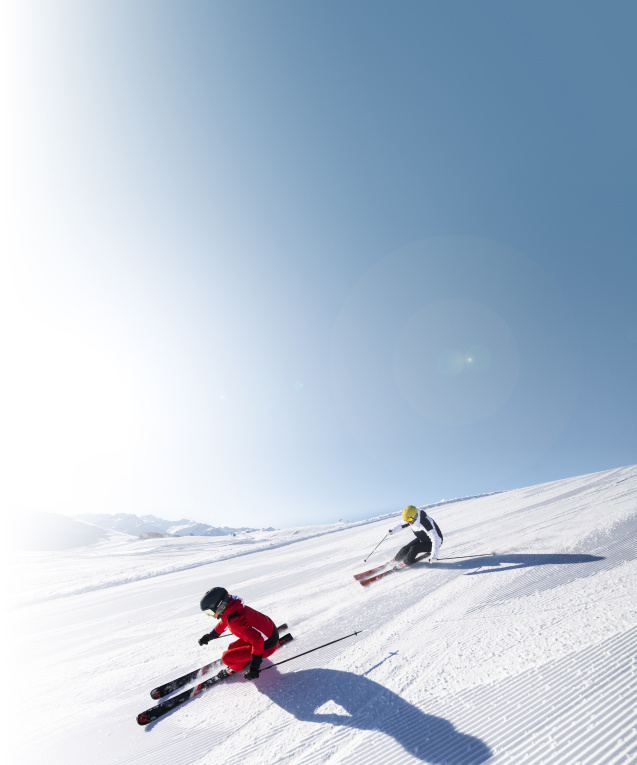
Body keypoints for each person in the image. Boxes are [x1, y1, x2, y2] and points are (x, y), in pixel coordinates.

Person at [197, 587, 279, 680]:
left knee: (226, 658)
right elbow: (224, 622)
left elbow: (258, 641)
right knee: (231, 647)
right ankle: (245, 660)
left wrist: (254, 668)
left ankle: (234, 668)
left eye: (209, 612)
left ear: (220, 606)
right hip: (268, 633)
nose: (210, 616)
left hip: (267, 646)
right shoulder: (231, 608)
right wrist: (210, 636)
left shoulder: (235, 621)